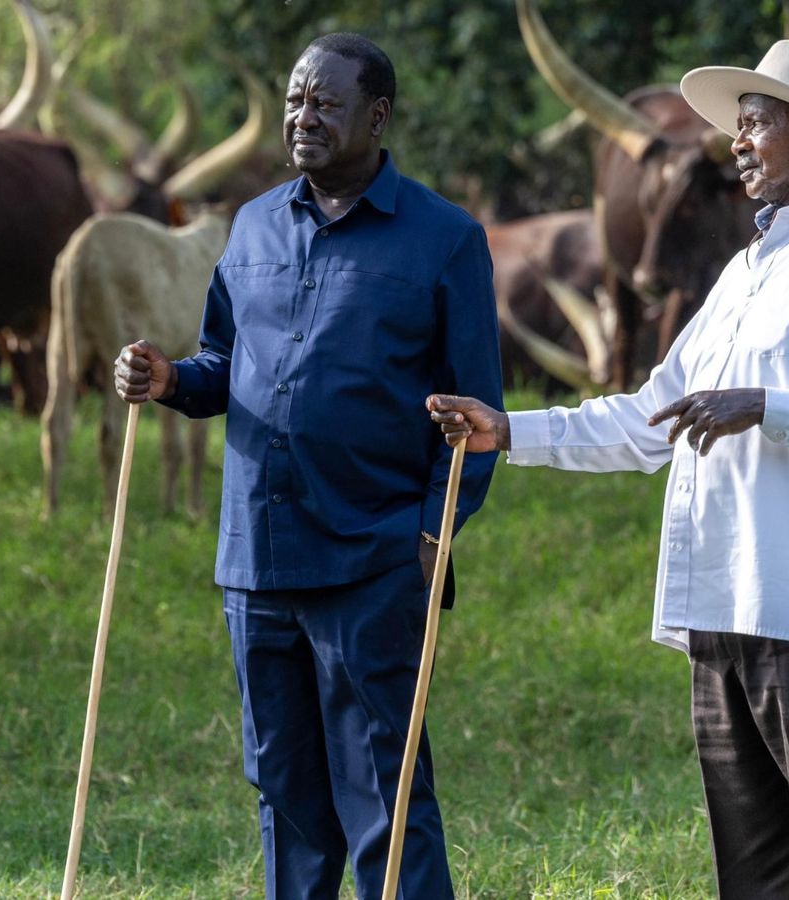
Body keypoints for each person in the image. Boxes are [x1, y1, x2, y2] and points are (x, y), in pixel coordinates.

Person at [430, 40, 789, 899]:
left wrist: (769, 406)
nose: (736, 143)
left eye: (755, 123)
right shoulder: (745, 271)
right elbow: (648, 419)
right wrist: (507, 431)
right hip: (723, 610)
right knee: (754, 879)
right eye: (739, 126)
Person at [114, 33, 502, 899]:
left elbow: (477, 412)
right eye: (296, 100)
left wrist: (432, 535)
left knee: (384, 793)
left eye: (325, 102)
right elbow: (225, 363)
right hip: (257, 557)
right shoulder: (253, 225)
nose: (303, 116)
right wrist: (172, 378)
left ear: (378, 115)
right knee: (283, 789)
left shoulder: (445, 240)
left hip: (374, 556)